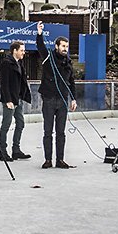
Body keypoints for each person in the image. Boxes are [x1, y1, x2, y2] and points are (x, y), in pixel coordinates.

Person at [35, 21, 76, 169]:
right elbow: (40, 47)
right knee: (48, 131)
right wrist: (39, 34)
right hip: (49, 99)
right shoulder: (49, 57)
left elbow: (71, 81)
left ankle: (60, 159)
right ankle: (48, 159)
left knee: (61, 132)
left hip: (63, 100)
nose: (65, 49)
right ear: (56, 46)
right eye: (63, 46)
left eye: (67, 46)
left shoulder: (68, 62)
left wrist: (73, 98)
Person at [0, 41, 32, 162]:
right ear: (14, 51)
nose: (23, 52)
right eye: (21, 50)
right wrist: (8, 100)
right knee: (6, 125)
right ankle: (2, 152)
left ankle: (16, 150)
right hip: (10, 100)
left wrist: (23, 95)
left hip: (18, 99)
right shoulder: (7, 63)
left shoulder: (19, 63)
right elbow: (4, 83)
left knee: (20, 123)